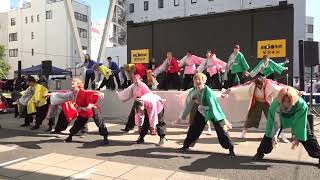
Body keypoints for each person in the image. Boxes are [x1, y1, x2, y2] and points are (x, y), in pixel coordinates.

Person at [253, 87, 320, 167]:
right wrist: (274, 135)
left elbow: (300, 124)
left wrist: (297, 137)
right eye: (284, 101)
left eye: (289, 101)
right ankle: (260, 152)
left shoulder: (302, 105)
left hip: (297, 118)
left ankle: (318, 154)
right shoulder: (274, 105)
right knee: (269, 134)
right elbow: (274, 123)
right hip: (281, 119)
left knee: (307, 135)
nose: (286, 104)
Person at [178, 73, 235, 158]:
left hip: (213, 111)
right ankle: (186, 145)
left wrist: (221, 118)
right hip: (202, 110)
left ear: (204, 81)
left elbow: (214, 104)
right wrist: (182, 117)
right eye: (195, 79)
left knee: (221, 130)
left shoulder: (209, 91)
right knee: (194, 128)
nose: (197, 81)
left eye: (200, 79)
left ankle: (231, 149)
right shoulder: (193, 91)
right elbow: (188, 104)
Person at [53, 78, 109, 144]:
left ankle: (105, 138)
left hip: (92, 107)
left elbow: (89, 92)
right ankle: (70, 137)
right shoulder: (72, 93)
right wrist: (50, 95)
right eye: (73, 81)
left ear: (78, 84)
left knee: (99, 121)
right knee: (78, 122)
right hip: (84, 109)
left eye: (74, 82)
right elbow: (62, 95)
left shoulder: (82, 91)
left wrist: (98, 93)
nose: (72, 82)